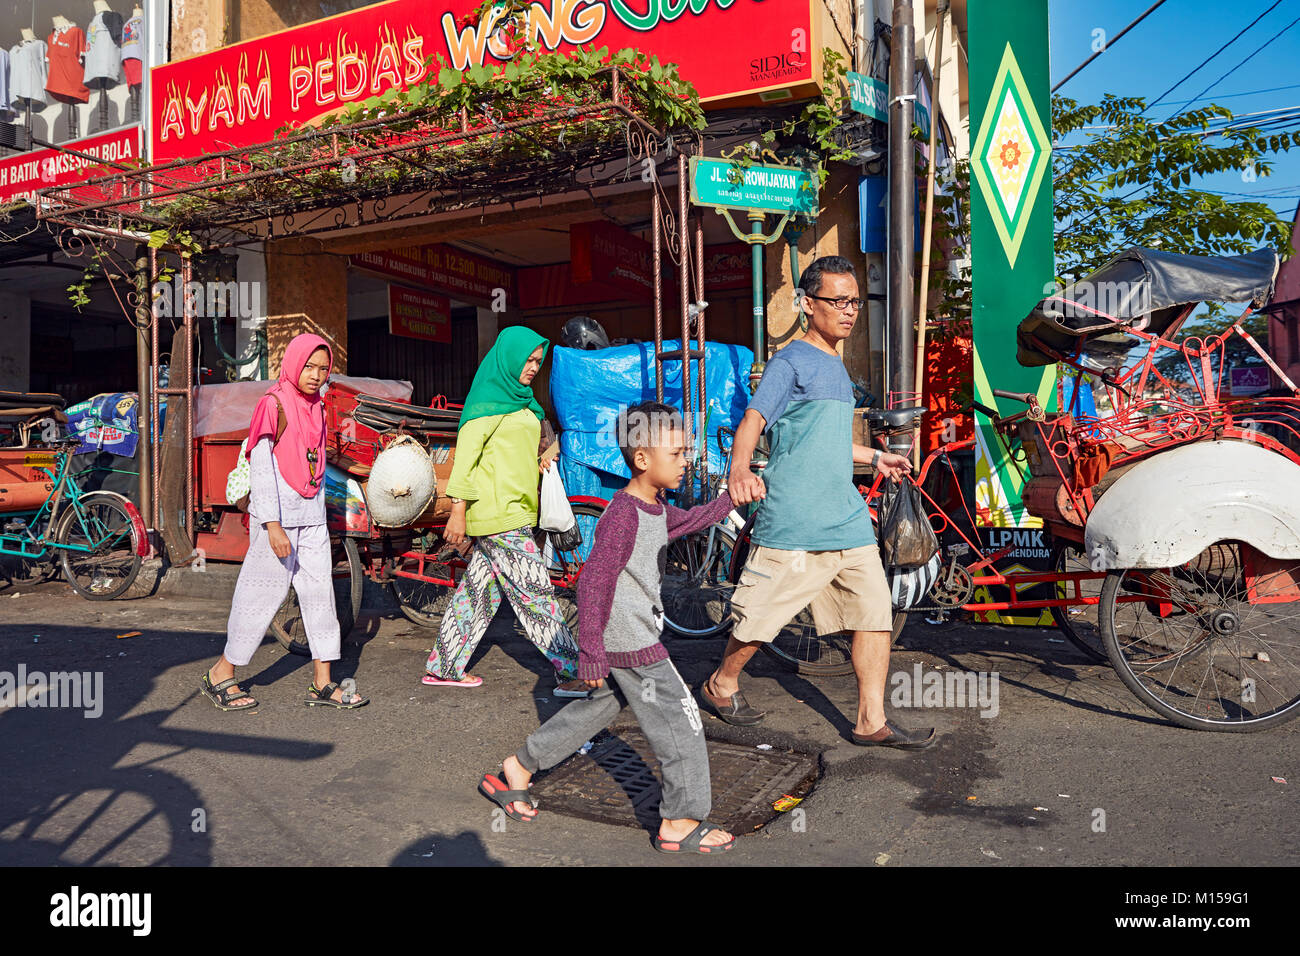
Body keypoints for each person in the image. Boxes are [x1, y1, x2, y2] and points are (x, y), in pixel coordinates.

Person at [479, 401, 738, 853]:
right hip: (631, 641)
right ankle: (679, 821)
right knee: (681, 723)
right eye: (676, 453)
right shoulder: (622, 516)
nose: (686, 460)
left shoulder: (653, 508)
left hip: (632, 636)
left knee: (596, 709)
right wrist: (592, 651)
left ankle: (519, 767)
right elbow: (593, 584)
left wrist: (733, 498)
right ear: (642, 459)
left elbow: (692, 521)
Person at [705, 255, 935, 749]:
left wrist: (875, 457)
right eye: (838, 301)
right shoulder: (789, 362)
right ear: (809, 305)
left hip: (846, 517)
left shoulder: (836, 364)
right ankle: (722, 683)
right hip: (795, 516)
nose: (849, 311)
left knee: (875, 611)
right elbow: (753, 421)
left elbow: (823, 439)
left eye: (854, 301)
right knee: (760, 620)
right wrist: (740, 468)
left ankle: (870, 720)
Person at [201, 333, 367, 711]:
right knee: (259, 596)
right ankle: (220, 674)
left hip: (311, 519)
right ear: (293, 363)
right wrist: (272, 525)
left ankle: (322, 682)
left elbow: (317, 464)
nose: (315, 375)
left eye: (323, 369)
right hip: (276, 520)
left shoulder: (317, 407)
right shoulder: (272, 404)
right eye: (309, 366)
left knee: (320, 595)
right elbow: (261, 468)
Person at [424, 326, 587, 697]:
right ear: (508, 358)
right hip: (498, 511)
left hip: (518, 508)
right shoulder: (486, 404)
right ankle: (572, 670)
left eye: (537, 361)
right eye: (527, 360)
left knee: (479, 593)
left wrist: (543, 453)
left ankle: (444, 666)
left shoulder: (523, 401)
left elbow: (524, 445)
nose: (532, 367)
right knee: (535, 593)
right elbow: (465, 463)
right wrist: (458, 511)